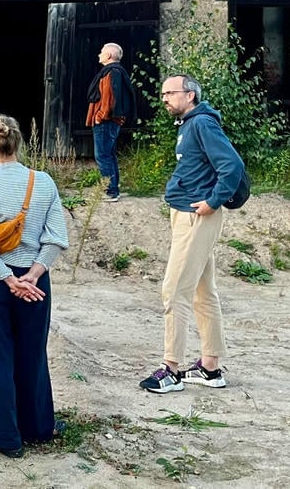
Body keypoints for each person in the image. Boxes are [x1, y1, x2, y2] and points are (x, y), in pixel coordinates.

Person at [0, 114, 69, 458]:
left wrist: (8, 278)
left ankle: (4, 436)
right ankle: (38, 426)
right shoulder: (44, 183)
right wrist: (34, 275)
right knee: (32, 352)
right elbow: (56, 239)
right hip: (34, 282)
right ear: (19, 142)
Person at [139, 75, 243, 394]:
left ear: (190, 94)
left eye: (170, 92)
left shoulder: (202, 124)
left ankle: (170, 369)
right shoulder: (188, 123)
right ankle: (210, 368)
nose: (164, 97)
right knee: (202, 290)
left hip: (196, 216)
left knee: (174, 290)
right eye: (163, 92)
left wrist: (213, 202)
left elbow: (232, 166)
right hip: (186, 213)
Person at [86, 42, 135, 201]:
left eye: (101, 52)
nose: (99, 54)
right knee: (109, 154)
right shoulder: (116, 71)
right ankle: (114, 187)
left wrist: (100, 116)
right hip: (111, 121)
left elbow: (109, 97)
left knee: (103, 155)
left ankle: (110, 191)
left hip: (106, 121)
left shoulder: (111, 72)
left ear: (108, 56)